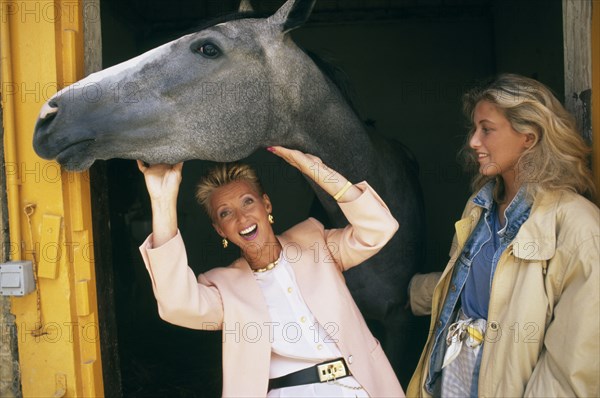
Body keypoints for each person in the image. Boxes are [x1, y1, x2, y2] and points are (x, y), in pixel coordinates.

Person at [136, 145, 405, 397]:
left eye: (248, 202)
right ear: (220, 230)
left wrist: (313, 168)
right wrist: (162, 200)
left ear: (266, 205)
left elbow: (379, 228)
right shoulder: (225, 288)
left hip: (359, 388)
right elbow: (175, 305)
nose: (242, 219)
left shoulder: (316, 242)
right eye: (225, 214)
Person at [407, 73, 599, 397]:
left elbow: (573, 364)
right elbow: (475, 289)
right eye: (474, 129)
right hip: (452, 373)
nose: (473, 141)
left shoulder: (579, 226)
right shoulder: (478, 206)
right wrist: (411, 292)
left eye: (487, 129)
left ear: (529, 137)